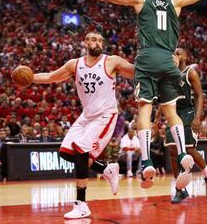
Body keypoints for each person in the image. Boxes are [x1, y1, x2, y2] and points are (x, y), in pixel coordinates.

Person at [59, 0, 207, 189]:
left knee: (144, 109)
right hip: (169, 61)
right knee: (170, 111)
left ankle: (147, 162)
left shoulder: (141, 0)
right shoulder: (176, 2)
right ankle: (181, 154)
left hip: (147, 58)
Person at [31, 31, 134, 219]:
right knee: (65, 152)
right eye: (94, 39)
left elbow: (135, 70)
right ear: (86, 42)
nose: (98, 43)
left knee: (81, 151)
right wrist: (31, 77)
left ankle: (81, 204)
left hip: (105, 115)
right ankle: (106, 169)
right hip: (86, 116)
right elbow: (52, 77)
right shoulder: (75, 64)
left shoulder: (111, 61)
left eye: (100, 41)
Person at [155, 48, 207, 203]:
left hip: (188, 112)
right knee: (173, 151)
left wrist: (197, 117)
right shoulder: (168, 75)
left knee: (189, 149)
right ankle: (180, 189)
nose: (174, 55)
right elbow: (165, 99)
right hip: (173, 112)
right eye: (172, 54)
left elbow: (200, 96)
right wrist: (156, 119)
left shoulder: (190, 73)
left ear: (185, 57)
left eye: (177, 53)